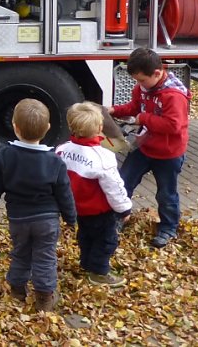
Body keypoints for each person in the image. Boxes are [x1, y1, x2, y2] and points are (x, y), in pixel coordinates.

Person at [0, 98, 77, 312]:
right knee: (45, 256)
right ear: (48, 128)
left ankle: (17, 288)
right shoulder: (54, 162)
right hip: (47, 220)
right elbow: (64, 193)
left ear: (15, 128)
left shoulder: (4, 156)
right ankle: (44, 296)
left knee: (21, 252)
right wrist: (71, 218)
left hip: (18, 218)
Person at [109, 47, 190, 249]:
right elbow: (133, 108)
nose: (139, 85)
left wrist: (144, 119)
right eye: (137, 80)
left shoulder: (173, 96)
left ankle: (168, 228)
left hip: (168, 153)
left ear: (157, 73)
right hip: (144, 147)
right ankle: (119, 217)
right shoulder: (143, 88)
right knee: (122, 182)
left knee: (166, 193)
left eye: (142, 80)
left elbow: (174, 125)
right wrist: (113, 110)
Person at [57, 101, 132, 287]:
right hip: (99, 211)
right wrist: (124, 209)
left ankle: (86, 262)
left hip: (77, 208)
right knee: (107, 240)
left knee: (85, 236)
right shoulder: (102, 157)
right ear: (100, 128)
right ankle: (99, 271)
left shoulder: (62, 150)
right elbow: (114, 187)